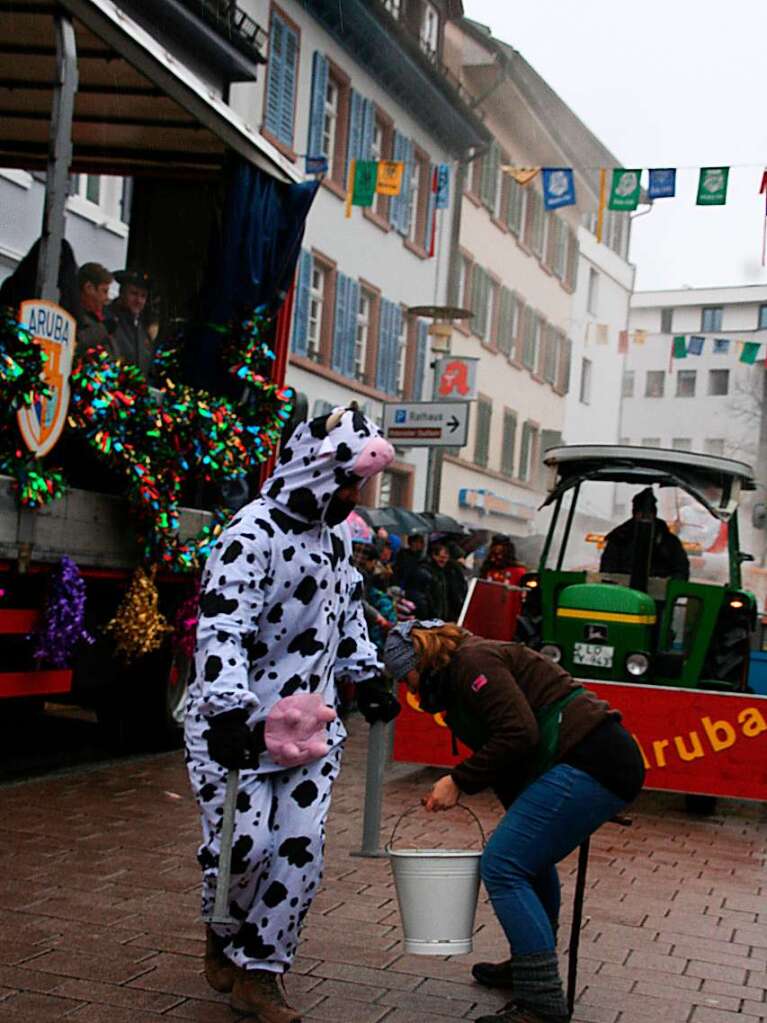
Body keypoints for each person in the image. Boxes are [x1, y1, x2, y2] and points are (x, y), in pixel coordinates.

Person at [185, 406, 401, 1021]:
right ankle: (222, 931)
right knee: (244, 848)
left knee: (300, 846)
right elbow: (223, 627)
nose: (355, 497)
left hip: (312, 729)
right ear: (316, 470)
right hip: (240, 730)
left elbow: (347, 611)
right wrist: (227, 708)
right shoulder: (248, 535)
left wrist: (367, 674)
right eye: (350, 483)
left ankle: (263, 972)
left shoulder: (336, 539)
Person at [382, 621, 645, 1023]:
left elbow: (518, 733)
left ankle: (541, 1003)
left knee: (503, 865)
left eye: (406, 676)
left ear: (421, 657)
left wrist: (459, 780)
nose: (410, 689)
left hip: (590, 757)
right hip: (587, 757)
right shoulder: (459, 676)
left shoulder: (473, 662)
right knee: (527, 861)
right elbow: (510, 753)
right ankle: (529, 965)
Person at [600, 487, 689, 580]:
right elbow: (607, 572)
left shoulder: (669, 541)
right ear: (635, 514)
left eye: (648, 514)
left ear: (654, 514)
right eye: (640, 514)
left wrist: (664, 584)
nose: (644, 518)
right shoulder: (619, 538)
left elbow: (681, 571)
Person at [105, 268, 154, 376]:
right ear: (121, 293)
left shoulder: (143, 328)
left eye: (143, 296)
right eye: (134, 293)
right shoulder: (107, 320)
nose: (138, 300)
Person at [479, 535, 528, 633]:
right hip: (489, 613)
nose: (498, 557)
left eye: (501, 554)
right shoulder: (488, 570)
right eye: (495, 554)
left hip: (509, 615)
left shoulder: (519, 572)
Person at [76, 262, 114, 351]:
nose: (106, 298)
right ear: (89, 288)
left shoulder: (99, 318)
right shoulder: (73, 315)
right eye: (104, 291)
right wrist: (103, 329)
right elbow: (77, 342)